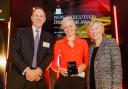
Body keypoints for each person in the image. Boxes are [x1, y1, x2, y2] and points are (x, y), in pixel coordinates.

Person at [6, 7, 53, 89]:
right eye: (36, 15)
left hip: (38, 80)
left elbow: (49, 55)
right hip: (19, 80)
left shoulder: (49, 36)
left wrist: (38, 71)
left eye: (41, 16)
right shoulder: (20, 32)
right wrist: (27, 71)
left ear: (44, 19)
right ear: (32, 18)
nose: (39, 18)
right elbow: (14, 53)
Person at [52, 16, 89, 89]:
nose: (68, 29)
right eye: (66, 27)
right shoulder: (58, 43)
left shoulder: (84, 43)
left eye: (70, 26)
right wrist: (59, 69)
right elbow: (54, 63)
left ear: (75, 27)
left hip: (79, 78)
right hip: (64, 78)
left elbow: (87, 60)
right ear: (64, 30)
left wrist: (84, 66)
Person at [87, 20, 122, 89]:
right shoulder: (91, 48)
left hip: (107, 86)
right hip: (92, 85)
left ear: (102, 30)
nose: (94, 31)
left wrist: (116, 86)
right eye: (91, 29)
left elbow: (117, 67)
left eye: (96, 28)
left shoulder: (111, 42)